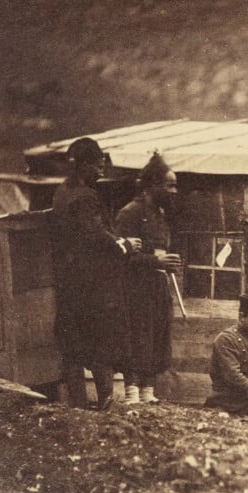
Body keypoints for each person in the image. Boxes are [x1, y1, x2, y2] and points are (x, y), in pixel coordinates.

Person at [50, 137, 142, 409]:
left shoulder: (61, 192)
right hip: (92, 283)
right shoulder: (86, 196)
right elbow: (94, 235)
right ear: (82, 166)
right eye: (97, 166)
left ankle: (78, 404)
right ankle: (106, 401)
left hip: (68, 280)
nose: (101, 172)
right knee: (102, 339)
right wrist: (124, 244)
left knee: (73, 343)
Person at [114, 152, 182, 404]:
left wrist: (167, 265)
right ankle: (132, 393)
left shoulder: (160, 215)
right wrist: (156, 261)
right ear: (153, 185)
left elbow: (159, 252)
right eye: (169, 185)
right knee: (137, 338)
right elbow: (120, 256)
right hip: (135, 289)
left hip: (157, 287)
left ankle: (148, 393)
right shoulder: (130, 213)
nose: (174, 190)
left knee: (156, 337)